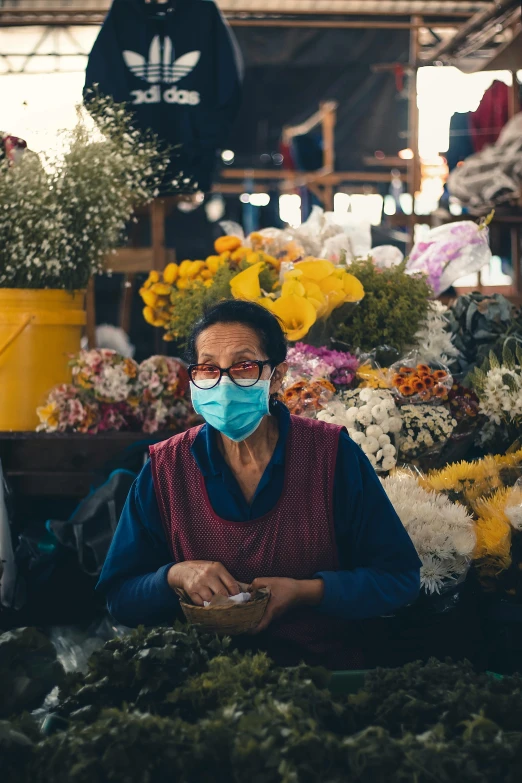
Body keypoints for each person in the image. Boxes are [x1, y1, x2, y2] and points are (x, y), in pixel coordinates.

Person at [98, 300, 421, 668]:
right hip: (204, 678)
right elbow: (119, 597)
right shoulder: (166, 468)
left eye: (244, 366)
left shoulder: (332, 456)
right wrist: (174, 575)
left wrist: (306, 592)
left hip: (321, 675)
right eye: (208, 369)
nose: (224, 383)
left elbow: (399, 578)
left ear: (277, 376)